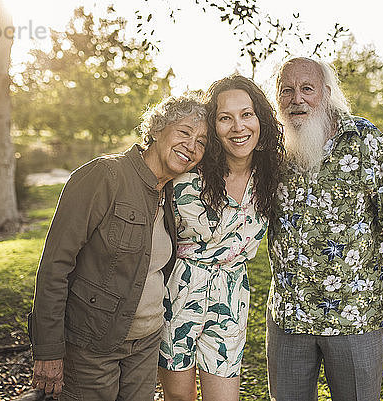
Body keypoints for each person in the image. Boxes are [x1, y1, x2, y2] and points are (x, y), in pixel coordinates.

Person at [28, 93, 208, 401]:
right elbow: (55, 265)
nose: (191, 146)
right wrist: (48, 349)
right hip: (92, 347)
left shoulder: (170, 193)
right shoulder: (104, 176)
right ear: (157, 129)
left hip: (147, 344)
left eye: (202, 141)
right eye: (184, 132)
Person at [266, 57, 383, 401]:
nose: (297, 99)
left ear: (327, 92)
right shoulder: (271, 148)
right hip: (289, 314)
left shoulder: (364, 139)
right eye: (286, 90)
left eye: (307, 89)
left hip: (355, 315)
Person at [158, 75, 285, 401]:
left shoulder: (273, 176)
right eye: (225, 118)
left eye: (246, 114)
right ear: (213, 125)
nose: (238, 126)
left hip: (231, 296)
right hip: (176, 297)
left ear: (260, 118)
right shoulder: (186, 174)